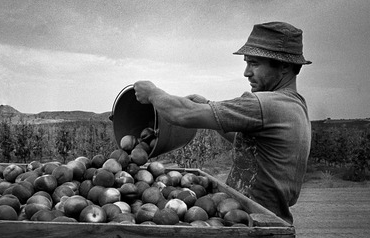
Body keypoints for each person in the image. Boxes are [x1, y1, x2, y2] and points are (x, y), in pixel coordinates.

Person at [133, 21, 312, 224]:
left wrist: (152, 93)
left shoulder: (267, 104)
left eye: (254, 63)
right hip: (256, 219)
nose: (246, 72)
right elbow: (248, 144)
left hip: (254, 227)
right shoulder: (295, 106)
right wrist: (208, 106)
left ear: (284, 66)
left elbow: (181, 114)